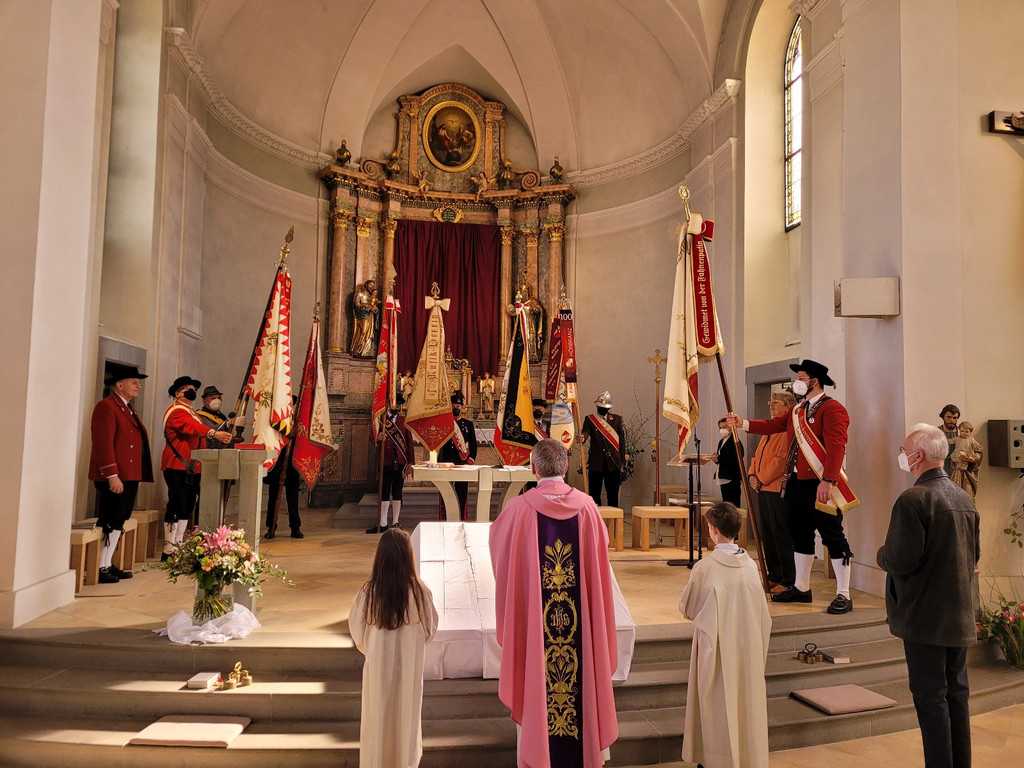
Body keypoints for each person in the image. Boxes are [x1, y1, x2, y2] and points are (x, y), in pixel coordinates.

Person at [489, 438, 619, 767]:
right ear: (564, 468)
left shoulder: (518, 510)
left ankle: (539, 757)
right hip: (580, 633)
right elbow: (600, 558)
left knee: (536, 677)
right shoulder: (588, 507)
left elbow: (499, 551)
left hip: (538, 631)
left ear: (533, 469)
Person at [877, 424, 979, 768]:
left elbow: (899, 560)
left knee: (931, 699)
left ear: (917, 456)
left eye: (904, 450)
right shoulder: (963, 498)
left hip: (925, 616)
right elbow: (973, 556)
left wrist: (881, 554)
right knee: (956, 695)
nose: (902, 456)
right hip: (959, 613)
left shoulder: (914, 498)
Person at [726, 359, 858, 615]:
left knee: (833, 537)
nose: (796, 382)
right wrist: (742, 424)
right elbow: (774, 425)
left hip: (821, 484)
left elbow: (836, 446)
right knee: (800, 535)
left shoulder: (832, 409)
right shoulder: (798, 411)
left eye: (800, 377)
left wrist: (828, 480)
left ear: (813, 381)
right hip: (796, 484)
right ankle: (801, 587)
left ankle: (844, 593)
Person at [679, 501, 771, 768]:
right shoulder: (751, 566)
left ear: (714, 530)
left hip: (717, 652)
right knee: (744, 707)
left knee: (716, 709)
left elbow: (687, 608)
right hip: (747, 649)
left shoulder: (705, 568)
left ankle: (714, 761)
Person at [349, 527, 438, 768]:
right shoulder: (420, 593)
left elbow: (358, 635)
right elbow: (430, 631)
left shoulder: (368, 593)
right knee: (405, 723)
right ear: (409, 557)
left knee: (378, 724)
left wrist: (377, 650)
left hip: (378, 671)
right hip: (409, 670)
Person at [88, 365, 154, 583]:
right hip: (115, 475)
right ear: (120, 385)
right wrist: (111, 475)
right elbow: (103, 444)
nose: (139, 386)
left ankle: (107, 563)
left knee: (120, 519)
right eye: (134, 382)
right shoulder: (106, 406)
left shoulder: (127, 407)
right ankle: (99, 566)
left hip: (128, 474)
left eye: (138, 382)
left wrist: (136, 474)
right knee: (110, 518)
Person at [161, 376, 232, 559]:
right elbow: (190, 428)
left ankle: (179, 543)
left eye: (193, 388)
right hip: (178, 464)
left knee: (187, 506)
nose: (191, 390)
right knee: (176, 505)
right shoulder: (177, 411)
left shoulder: (190, 411)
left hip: (192, 466)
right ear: (178, 393)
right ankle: (169, 549)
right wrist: (213, 433)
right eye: (187, 388)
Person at [748, 390, 798, 594]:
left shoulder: (788, 429)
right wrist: (752, 475)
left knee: (781, 534)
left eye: (775, 402)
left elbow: (781, 461)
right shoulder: (769, 430)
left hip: (778, 489)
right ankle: (773, 575)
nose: (771, 404)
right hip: (762, 488)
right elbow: (756, 457)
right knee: (767, 534)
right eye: (770, 401)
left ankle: (787, 579)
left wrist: (761, 479)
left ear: (787, 407)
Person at [368, 393, 415, 534]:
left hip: (400, 463)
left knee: (397, 492)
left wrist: (411, 462)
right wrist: (377, 437)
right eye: (396, 404)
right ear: (389, 404)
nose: (398, 407)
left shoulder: (403, 420)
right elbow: (371, 437)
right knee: (384, 492)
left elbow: (409, 443)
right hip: (385, 462)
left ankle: (395, 522)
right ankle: (382, 523)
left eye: (400, 405)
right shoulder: (380, 419)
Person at [579, 390, 626, 507]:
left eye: (604, 407)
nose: (602, 409)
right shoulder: (590, 419)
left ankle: (613, 521)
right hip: (596, 462)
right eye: (600, 407)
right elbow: (586, 432)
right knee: (594, 494)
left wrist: (622, 462)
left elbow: (622, 441)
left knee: (613, 494)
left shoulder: (616, 419)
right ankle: (595, 519)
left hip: (613, 462)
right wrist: (582, 437)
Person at [437, 390, 477, 520]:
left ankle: (461, 518)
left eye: (458, 406)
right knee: (445, 493)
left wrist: (470, 460)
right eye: (453, 406)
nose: (456, 408)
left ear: (462, 408)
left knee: (462, 493)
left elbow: (473, 445)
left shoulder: (468, 425)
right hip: (446, 462)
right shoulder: (444, 423)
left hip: (462, 464)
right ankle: (445, 519)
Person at [265, 435, 303, 539]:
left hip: (292, 462)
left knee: (293, 497)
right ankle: (271, 527)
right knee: (273, 496)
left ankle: (295, 527)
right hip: (277, 459)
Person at [711, 416, 742, 506]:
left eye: (724, 427)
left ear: (731, 428)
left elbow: (736, 459)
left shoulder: (735, 441)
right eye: (720, 428)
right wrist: (716, 459)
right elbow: (722, 458)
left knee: (733, 505)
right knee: (726, 504)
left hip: (731, 477)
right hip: (723, 476)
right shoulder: (722, 441)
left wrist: (719, 458)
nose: (722, 430)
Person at [950, 421, 984, 501]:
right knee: (955, 490)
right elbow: (950, 441)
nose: (964, 433)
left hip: (967, 471)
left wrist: (973, 458)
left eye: (966, 431)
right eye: (962, 431)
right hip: (956, 468)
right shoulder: (957, 439)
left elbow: (980, 451)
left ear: (970, 432)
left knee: (968, 493)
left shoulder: (971, 440)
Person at [349, 279, 379, 358]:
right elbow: (356, 304)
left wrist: (375, 309)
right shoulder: (360, 293)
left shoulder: (371, 296)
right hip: (361, 315)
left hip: (370, 316)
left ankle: (365, 352)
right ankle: (357, 349)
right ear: (366, 284)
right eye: (370, 285)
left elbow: (374, 304)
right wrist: (367, 306)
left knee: (369, 334)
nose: (371, 287)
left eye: (373, 286)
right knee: (362, 331)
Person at [939, 404, 961, 475]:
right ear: (943, 417)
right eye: (948, 417)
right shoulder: (936, 432)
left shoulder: (962, 433)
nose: (951, 420)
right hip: (940, 468)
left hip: (957, 469)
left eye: (955, 418)